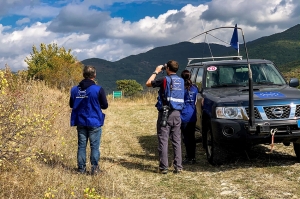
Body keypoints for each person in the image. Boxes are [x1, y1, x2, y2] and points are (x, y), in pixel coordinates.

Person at [146, 60, 184, 174]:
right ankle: (178, 167)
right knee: (177, 140)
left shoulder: (164, 79)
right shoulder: (181, 80)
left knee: (163, 140)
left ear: (167, 68)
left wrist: (156, 71)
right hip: (177, 113)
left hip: (165, 113)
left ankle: (164, 167)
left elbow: (148, 83)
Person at [69, 65, 108, 175]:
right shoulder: (98, 89)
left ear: (83, 75)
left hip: (80, 121)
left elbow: (72, 104)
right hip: (94, 121)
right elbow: (105, 106)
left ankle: (81, 169)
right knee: (94, 146)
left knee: (81, 146)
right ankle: (95, 169)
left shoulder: (74, 90)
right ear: (94, 75)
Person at [180, 70, 199, 165]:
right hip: (192, 114)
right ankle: (193, 157)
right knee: (192, 137)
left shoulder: (181, 89)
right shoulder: (195, 88)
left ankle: (189, 157)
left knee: (186, 137)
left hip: (183, 115)